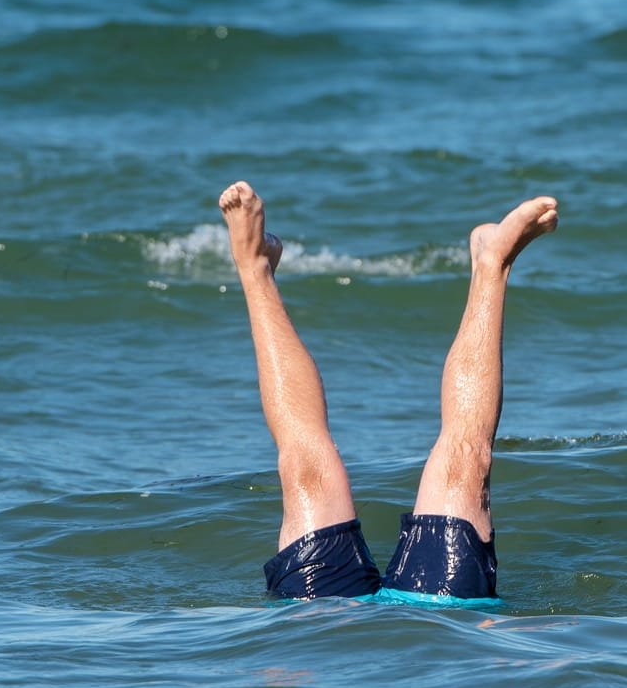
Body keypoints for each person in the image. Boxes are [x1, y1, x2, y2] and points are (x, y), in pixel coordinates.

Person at [218, 180, 558, 602]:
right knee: (467, 461)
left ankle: (254, 268)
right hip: (438, 615)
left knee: (305, 468)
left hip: (324, 622)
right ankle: (494, 264)